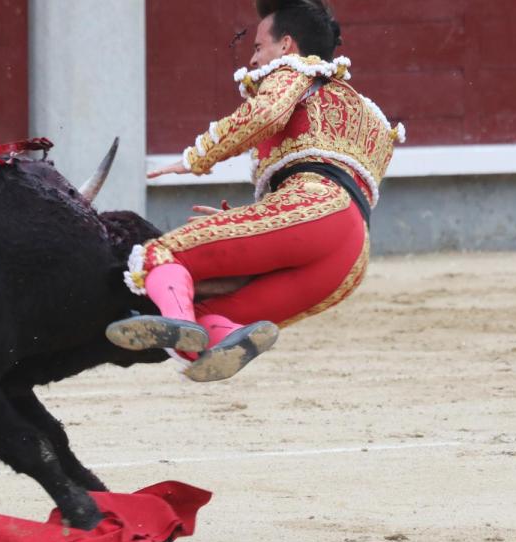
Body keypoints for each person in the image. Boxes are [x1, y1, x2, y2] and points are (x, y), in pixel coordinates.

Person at [107, 0, 405, 382]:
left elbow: (266, 115)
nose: (252, 60)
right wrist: (254, 219)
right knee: (215, 311)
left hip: (313, 210)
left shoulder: (294, 70)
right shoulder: (362, 111)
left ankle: (176, 322)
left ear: (286, 46)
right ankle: (219, 336)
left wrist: (197, 157)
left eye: (258, 47)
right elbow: (328, 172)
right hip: (350, 255)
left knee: (159, 255)